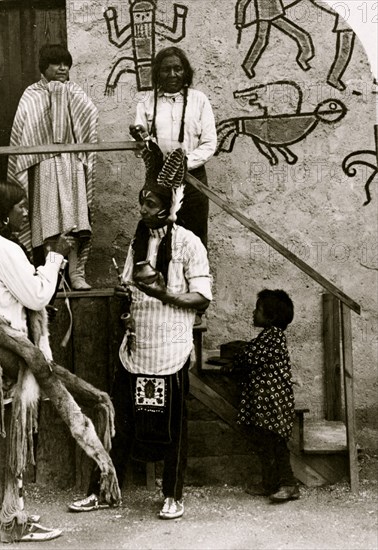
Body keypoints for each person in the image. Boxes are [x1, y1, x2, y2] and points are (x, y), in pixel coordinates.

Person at [68, 141, 212, 519]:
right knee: (116, 422)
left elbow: (202, 298)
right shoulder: (138, 241)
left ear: (169, 206)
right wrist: (126, 296)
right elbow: (133, 287)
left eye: (151, 204)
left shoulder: (189, 243)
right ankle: (101, 489)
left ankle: (173, 495)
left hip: (171, 349)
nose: (144, 210)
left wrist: (166, 293)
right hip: (137, 350)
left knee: (173, 428)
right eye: (142, 203)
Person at [0, 182, 72, 542]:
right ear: (3, 213)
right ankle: (15, 520)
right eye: (20, 207)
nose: (25, 213)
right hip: (13, 352)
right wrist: (55, 258)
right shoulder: (5, 250)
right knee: (16, 437)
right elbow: (36, 294)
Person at [8, 44, 98, 290]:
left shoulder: (74, 91)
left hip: (71, 163)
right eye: (56, 64)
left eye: (66, 64)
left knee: (76, 219)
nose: (62, 68)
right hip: (44, 164)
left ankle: (76, 273)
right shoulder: (32, 93)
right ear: (44, 67)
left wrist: (63, 97)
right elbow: (24, 128)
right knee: (50, 220)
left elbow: (90, 114)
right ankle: (53, 277)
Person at [131, 46, 217, 248]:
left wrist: (184, 163)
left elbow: (209, 143)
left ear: (185, 71)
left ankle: (196, 279)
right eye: (165, 69)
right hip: (157, 185)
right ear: (157, 73)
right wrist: (141, 141)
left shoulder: (199, 100)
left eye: (177, 69)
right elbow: (140, 147)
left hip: (193, 182)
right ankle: (161, 280)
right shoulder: (146, 102)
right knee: (158, 241)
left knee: (194, 240)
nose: (172, 74)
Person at [226, 289, 300, 502]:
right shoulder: (267, 336)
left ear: (271, 317)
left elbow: (250, 356)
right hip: (265, 403)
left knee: (276, 444)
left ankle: (289, 484)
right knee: (266, 444)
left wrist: (232, 364)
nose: (253, 313)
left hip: (273, 404)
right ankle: (269, 483)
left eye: (258, 310)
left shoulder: (273, 336)